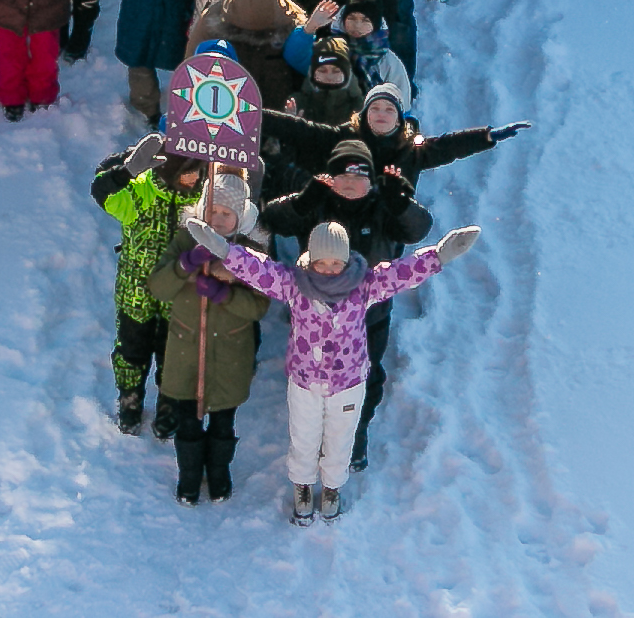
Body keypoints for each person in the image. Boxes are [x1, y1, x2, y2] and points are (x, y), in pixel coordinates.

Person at [179, 213, 479, 521]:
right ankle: (303, 485)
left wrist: (440, 255)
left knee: (340, 438)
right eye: (322, 263)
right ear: (310, 260)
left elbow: (401, 273)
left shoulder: (363, 286)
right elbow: (258, 269)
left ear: (347, 261)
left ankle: (333, 486)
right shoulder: (294, 285)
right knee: (304, 437)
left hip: (348, 383)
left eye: (336, 263)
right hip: (305, 381)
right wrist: (225, 250)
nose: (329, 270)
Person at [154, 169, 268, 503]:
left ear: (240, 216)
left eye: (226, 214)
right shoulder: (185, 240)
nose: (217, 219)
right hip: (187, 348)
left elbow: (259, 306)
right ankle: (189, 475)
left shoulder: (250, 249)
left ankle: (218, 471)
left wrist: (224, 295)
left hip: (230, 352)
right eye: (212, 211)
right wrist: (185, 264)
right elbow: (159, 288)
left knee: (222, 421)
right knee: (188, 420)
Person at [91, 137, 207, 437]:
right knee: (132, 347)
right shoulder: (141, 190)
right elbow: (102, 190)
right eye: (188, 170)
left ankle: (169, 401)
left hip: (179, 291)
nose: (194, 177)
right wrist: (126, 172)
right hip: (136, 289)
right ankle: (130, 397)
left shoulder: (201, 201)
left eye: (198, 170)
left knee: (174, 352)